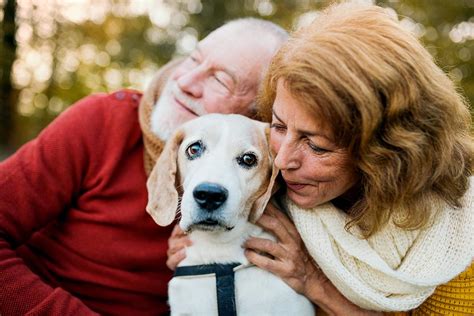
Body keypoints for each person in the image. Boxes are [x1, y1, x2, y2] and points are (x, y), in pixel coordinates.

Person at [165, 3, 474, 315]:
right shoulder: (269, 185)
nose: (282, 160)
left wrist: (314, 282)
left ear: (385, 153)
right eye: (279, 126)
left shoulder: (457, 244)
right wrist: (204, 250)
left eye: (317, 146)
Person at [0, 18, 288, 315]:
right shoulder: (102, 121)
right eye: (194, 59)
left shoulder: (275, 185)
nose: (185, 83)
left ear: (256, 116)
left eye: (220, 80)